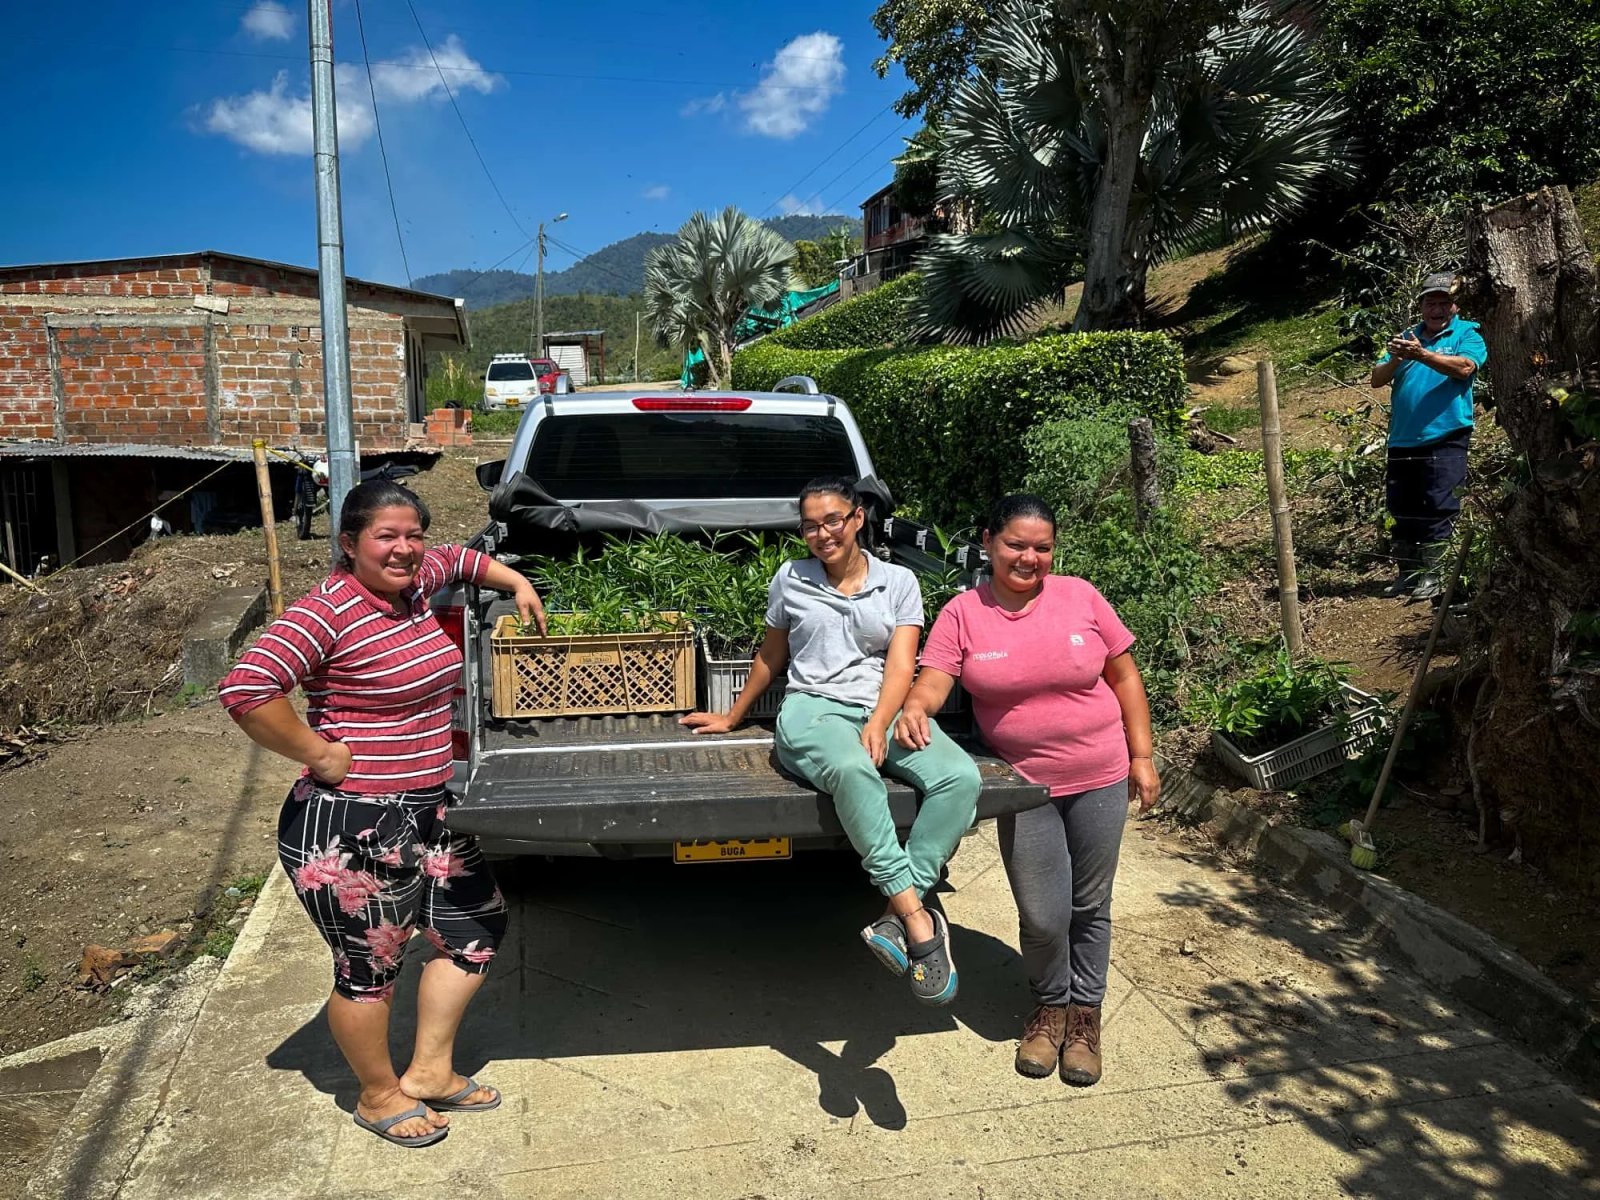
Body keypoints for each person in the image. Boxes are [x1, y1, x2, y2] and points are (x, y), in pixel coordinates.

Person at [220, 479, 547, 1148]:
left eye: (411, 534)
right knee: (371, 968)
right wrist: (319, 751)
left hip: (427, 812)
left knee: (475, 925)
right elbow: (247, 687)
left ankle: (429, 1073)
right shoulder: (327, 611)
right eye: (385, 537)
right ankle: (376, 1095)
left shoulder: (416, 580)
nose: (404, 549)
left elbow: (458, 558)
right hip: (351, 826)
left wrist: (514, 580)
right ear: (348, 544)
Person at [680, 476, 980, 1006]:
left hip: (881, 708)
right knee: (854, 771)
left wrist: (879, 720)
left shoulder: (899, 582)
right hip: (812, 711)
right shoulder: (790, 578)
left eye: (832, 520)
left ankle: (893, 914)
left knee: (960, 777)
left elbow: (902, 663)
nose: (822, 534)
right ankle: (917, 919)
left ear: (857, 518)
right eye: (810, 525)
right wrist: (733, 715)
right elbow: (773, 655)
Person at [894, 494, 1159, 1087]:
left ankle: (1084, 1020)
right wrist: (916, 706)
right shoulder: (964, 612)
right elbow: (936, 679)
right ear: (988, 541)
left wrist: (1141, 755)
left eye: (1042, 547)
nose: (1029, 557)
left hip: (1101, 773)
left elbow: (1124, 675)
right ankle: (1050, 1006)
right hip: (1025, 785)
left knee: (1090, 905)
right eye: (1016, 544)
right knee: (1043, 914)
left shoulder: (1080, 596)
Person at [1370, 272, 1487, 601]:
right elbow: (1377, 380)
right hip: (1403, 439)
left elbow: (1465, 368)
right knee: (1401, 507)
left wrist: (1424, 355)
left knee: (1439, 504)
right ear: (1421, 306)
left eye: (1443, 303)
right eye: (1430, 303)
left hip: (1446, 435)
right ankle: (1408, 573)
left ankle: (1434, 576)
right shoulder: (1407, 337)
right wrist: (1397, 356)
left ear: (1454, 306)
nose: (1436, 309)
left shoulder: (1468, 333)